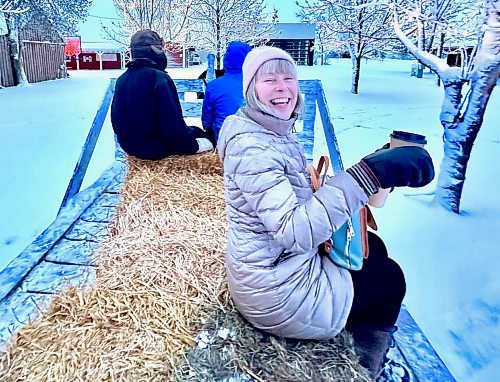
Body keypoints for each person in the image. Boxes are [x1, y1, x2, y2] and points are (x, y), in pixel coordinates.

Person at [217, 46, 434, 380]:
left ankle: (356, 330)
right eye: (269, 79)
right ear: (250, 90)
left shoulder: (272, 131)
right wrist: (366, 176)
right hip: (278, 293)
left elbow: (300, 199)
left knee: (372, 249)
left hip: (277, 268)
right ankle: (363, 366)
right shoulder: (252, 147)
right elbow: (294, 230)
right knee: (391, 280)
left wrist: (376, 163)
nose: (281, 87)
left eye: (288, 77)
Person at [111, 30, 213, 160]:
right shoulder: (158, 78)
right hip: (155, 150)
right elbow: (173, 128)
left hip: (130, 147)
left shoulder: (122, 79)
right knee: (204, 137)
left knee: (194, 130)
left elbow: (116, 121)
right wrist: (196, 146)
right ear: (155, 51)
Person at [201, 41, 251, 143]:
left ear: (226, 59)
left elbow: (207, 120)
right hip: (252, 138)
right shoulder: (257, 84)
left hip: (222, 138)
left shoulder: (214, 86)